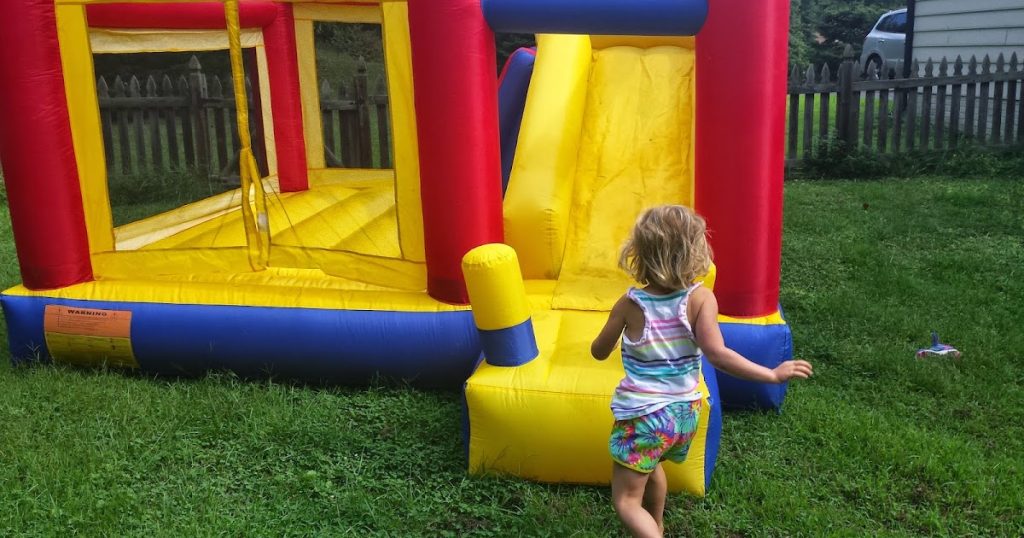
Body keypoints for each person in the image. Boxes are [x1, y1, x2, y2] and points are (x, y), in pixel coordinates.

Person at [591, 205, 813, 538]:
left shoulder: (630, 303)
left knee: (625, 501)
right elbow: (718, 355)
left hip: (644, 416)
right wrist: (771, 374)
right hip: (684, 414)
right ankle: (658, 525)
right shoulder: (700, 299)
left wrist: (615, 330)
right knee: (652, 468)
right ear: (695, 252)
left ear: (639, 254)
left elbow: (598, 351)